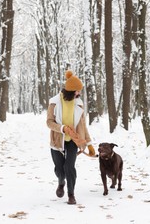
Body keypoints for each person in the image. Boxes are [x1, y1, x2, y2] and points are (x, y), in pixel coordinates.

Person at [46, 70, 95, 205]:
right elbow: (49, 122)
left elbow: (83, 126)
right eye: (77, 91)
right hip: (57, 141)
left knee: (70, 167)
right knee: (60, 169)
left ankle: (71, 194)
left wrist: (89, 144)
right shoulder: (54, 103)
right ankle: (61, 181)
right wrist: (62, 128)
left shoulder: (78, 104)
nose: (79, 94)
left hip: (73, 141)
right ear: (71, 91)